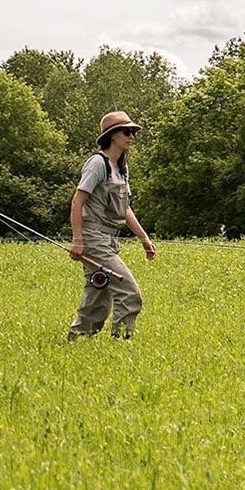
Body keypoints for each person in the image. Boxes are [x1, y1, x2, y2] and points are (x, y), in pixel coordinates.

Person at [68, 110, 156, 340]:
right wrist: (78, 241)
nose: (131, 136)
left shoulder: (121, 168)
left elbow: (125, 209)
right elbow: (77, 202)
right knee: (129, 292)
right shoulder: (98, 164)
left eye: (133, 132)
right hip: (94, 239)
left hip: (110, 240)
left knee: (98, 294)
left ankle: (77, 339)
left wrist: (144, 239)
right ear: (112, 135)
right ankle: (122, 342)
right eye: (126, 132)